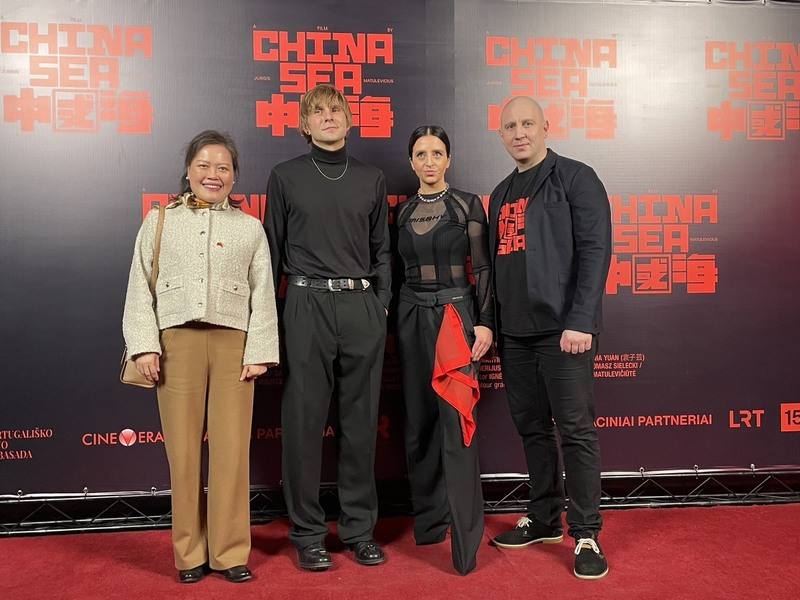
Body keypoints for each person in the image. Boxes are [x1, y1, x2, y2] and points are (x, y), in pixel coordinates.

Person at [122, 130, 279, 584]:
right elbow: (139, 285)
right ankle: (188, 554)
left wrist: (260, 351)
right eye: (204, 165)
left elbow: (263, 293)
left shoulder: (249, 227)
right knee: (183, 455)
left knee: (232, 453)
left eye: (223, 167)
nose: (213, 174)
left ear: (234, 176)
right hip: (176, 344)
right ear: (188, 171)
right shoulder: (159, 220)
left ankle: (230, 552)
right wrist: (145, 344)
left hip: (234, 346)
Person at [265, 84, 391, 570]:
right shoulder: (285, 176)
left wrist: (380, 306)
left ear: (349, 119)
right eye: (317, 111)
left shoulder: (371, 177)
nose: (328, 116)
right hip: (305, 302)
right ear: (305, 124)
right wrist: (272, 318)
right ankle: (308, 533)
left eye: (336, 109)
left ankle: (359, 530)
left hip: (360, 304)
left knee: (360, 424)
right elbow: (271, 250)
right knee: (303, 422)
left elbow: (382, 250)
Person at [487, 97, 612, 580]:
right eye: (509, 126)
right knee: (532, 428)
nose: (518, 132)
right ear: (501, 135)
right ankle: (543, 519)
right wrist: (494, 326)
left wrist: (581, 320)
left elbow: (596, 250)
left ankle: (585, 532)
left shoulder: (576, 177)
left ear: (545, 127)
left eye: (527, 123)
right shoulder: (500, 193)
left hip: (565, 332)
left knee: (576, 431)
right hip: (514, 333)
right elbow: (495, 265)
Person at [395, 126, 494, 575]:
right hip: (410, 317)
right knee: (419, 424)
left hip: (455, 316)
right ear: (411, 162)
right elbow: (396, 271)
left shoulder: (467, 205)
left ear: (449, 159)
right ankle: (431, 525)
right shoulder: (401, 212)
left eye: (437, 153)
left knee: (456, 426)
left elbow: (484, 267)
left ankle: (466, 542)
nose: (429, 161)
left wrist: (485, 321)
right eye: (421, 154)